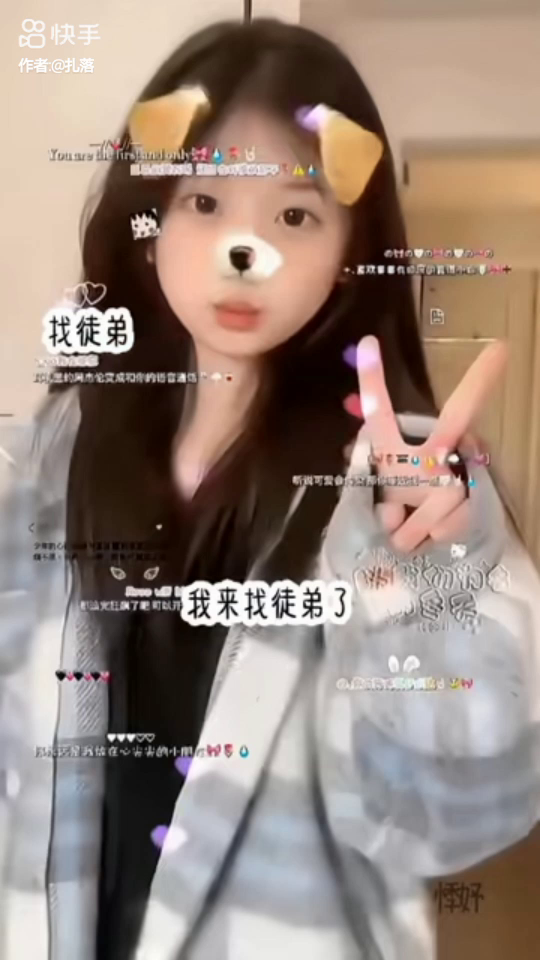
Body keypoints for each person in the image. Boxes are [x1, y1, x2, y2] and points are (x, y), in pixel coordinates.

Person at [1, 17, 539, 960]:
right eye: (205, 201)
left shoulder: (402, 493)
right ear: (149, 221)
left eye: (295, 216)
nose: (241, 251)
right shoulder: (57, 452)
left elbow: (459, 814)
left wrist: (423, 591)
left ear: (348, 249)